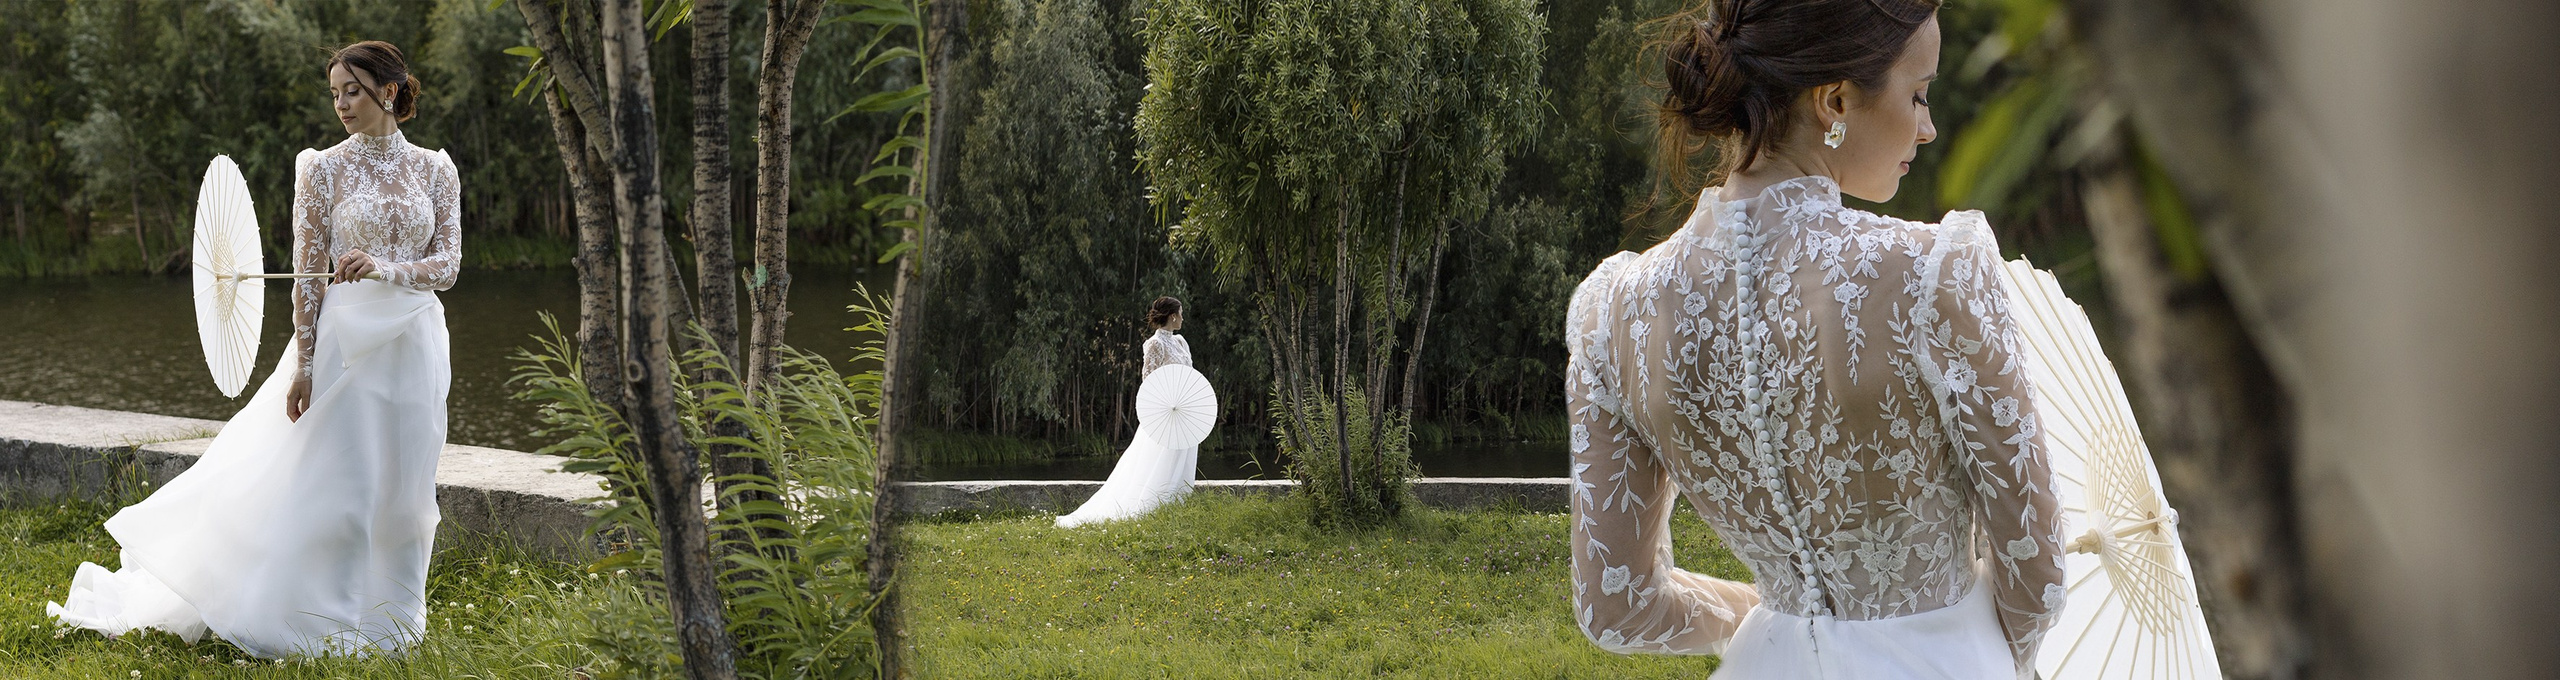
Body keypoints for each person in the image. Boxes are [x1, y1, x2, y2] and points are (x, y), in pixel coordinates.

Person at [1563, 1, 2064, 678]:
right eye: (1917, 96)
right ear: (1834, 101)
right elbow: (2037, 577)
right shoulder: (1935, 274)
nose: (1928, 127)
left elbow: (1615, 606)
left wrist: (1776, 626)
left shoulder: (1610, 313)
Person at [49, 40, 459, 658]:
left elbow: (449, 265)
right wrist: (301, 362)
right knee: (343, 486)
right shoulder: (323, 170)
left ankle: (395, 625)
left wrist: (384, 268)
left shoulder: (436, 169)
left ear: (391, 92)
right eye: (335, 94)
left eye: (353, 90)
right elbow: (306, 273)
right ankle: (322, 622)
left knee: (406, 492)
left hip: (417, 342)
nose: (342, 105)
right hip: (346, 346)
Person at [1057, 297, 1201, 528]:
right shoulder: (1155, 345)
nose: (1183, 318)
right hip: (1165, 413)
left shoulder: (1182, 342)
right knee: (1158, 461)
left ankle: (1176, 506)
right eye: (1181, 313)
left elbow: (1190, 375)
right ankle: (1152, 505)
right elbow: (1149, 381)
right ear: (1173, 316)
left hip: (1184, 412)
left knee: (1182, 460)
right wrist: (1168, 402)